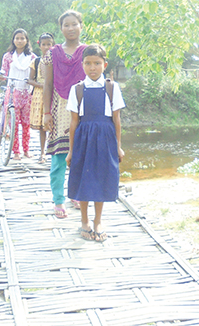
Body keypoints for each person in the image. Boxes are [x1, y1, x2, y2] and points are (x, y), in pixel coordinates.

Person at [66, 44, 125, 242]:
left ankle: (98, 220)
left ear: (104, 64)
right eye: (88, 63)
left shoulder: (112, 88)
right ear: (82, 65)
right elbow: (74, 122)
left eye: (97, 63)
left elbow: (116, 120)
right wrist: (70, 151)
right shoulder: (77, 90)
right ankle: (84, 220)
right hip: (84, 138)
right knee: (84, 178)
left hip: (105, 138)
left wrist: (118, 146)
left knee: (101, 178)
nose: (93, 68)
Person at [42, 10, 87, 219]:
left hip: (83, 108)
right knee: (59, 157)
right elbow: (48, 84)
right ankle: (58, 200)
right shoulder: (53, 53)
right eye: (66, 25)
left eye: (74, 24)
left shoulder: (88, 52)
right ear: (61, 29)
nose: (70, 28)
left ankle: (76, 194)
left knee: (80, 155)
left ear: (81, 26)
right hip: (59, 110)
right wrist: (46, 113)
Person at [0, 29, 37, 160]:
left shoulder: (32, 58)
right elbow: (3, 72)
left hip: (27, 93)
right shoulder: (8, 56)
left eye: (22, 38)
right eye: (17, 38)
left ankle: (26, 150)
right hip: (12, 92)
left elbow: (35, 75)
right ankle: (16, 152)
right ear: (13, 40)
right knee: (14, 124)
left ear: (27, 40)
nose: (20, 41)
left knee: (26, 123)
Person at [27, 32, 55, 164]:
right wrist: (41, 85)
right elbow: (30, 80)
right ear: (40, 46)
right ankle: (42, 153)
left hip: (54, 93)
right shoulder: (36, 61)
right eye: (44, 45)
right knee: (42, 125)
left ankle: (55, 152)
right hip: (39, 94)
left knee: (55, 123)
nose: (47, 47)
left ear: (53, 45)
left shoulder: (56, 61)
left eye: (49, 44)